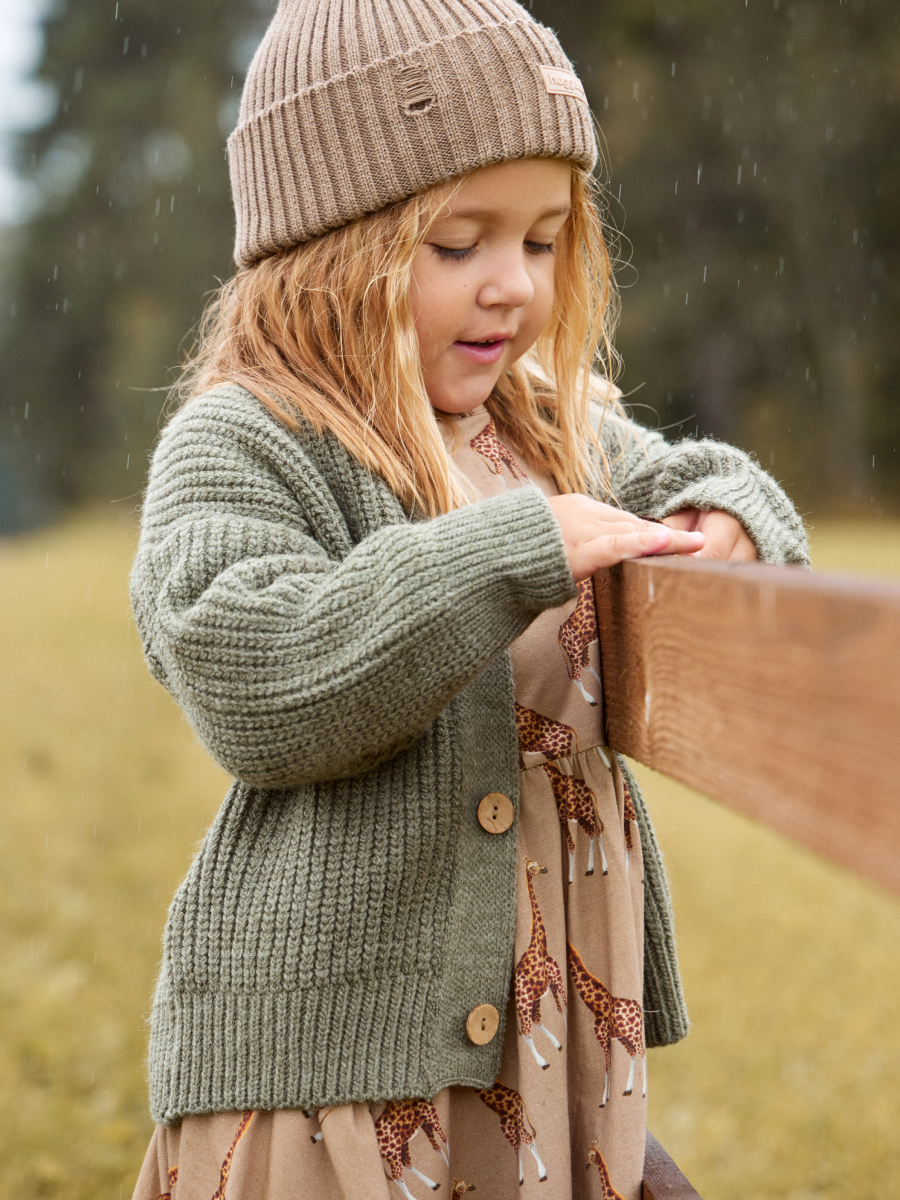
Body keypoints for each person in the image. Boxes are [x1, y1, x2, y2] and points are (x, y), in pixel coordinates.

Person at [130, 1, 809, 1196]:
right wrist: (510, 552)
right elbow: (256, 673)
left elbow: (703, 473)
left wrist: (731, 524)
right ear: (326, 247)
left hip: (545, 1059)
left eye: (544, 240)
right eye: (459, 245)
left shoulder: (545, 422)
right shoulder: (250, 439)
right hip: (337, 1088)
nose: (515, 289)